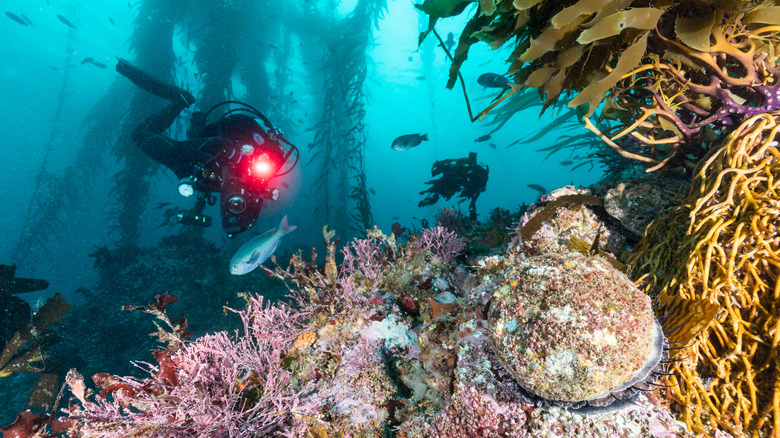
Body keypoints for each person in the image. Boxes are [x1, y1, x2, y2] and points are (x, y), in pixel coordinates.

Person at [116, 59, 298, 238]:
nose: (232, 203)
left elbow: (235, 210)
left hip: (194, 166)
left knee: (142, 136)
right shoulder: (243, 161)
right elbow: (192, 149)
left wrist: (199, 205)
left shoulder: (248, 186)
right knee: (164, 140)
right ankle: (181, 101)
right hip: (206, 152)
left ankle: (182, 104)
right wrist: (220, 159)